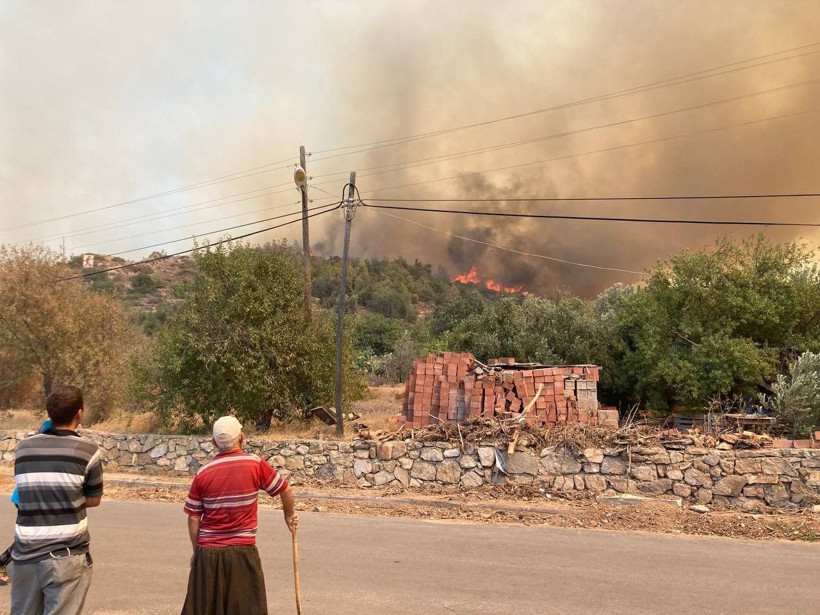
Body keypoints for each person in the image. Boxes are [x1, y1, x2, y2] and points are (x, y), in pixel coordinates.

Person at [182, 416, 298, 615]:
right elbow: (284, 489)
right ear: (242, 438)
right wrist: (289, 515)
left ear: (214, 443)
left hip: (208, 554)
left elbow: (193, 518)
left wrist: (197, 552)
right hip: (243, 551)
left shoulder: (203, 473)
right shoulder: (254, 464)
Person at [8, 386, 103, 614]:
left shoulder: (23, 448)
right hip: (66, 555)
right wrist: (67, 498)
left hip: (25, 554)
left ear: (49, 414)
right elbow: (94, 499)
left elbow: (25, 493)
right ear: (79, 413)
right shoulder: (88, 451)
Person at [0, 418, 54, 585]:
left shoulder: (38, 449)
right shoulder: (43, 452)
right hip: (27, 498)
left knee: (39, 534)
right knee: (33, 535)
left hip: (29, 497)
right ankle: (3, 561)